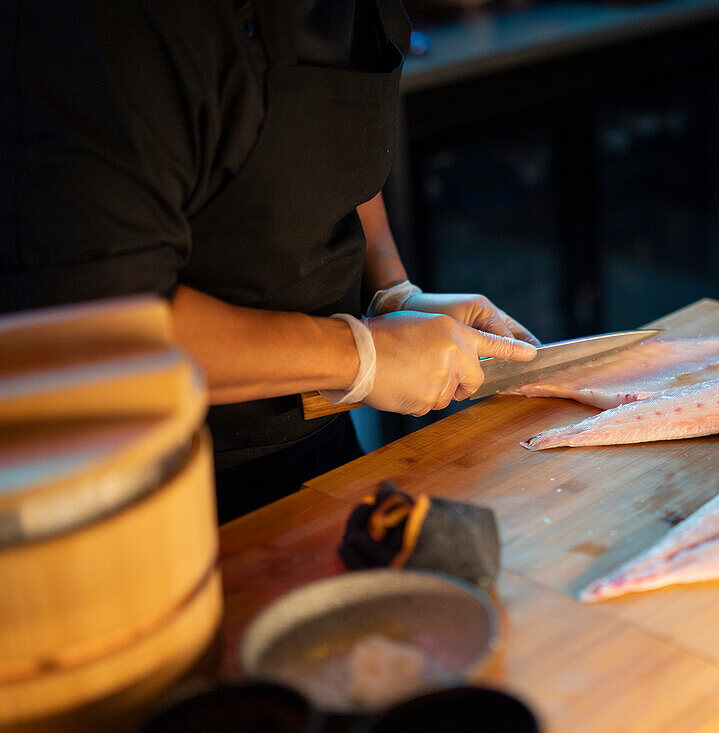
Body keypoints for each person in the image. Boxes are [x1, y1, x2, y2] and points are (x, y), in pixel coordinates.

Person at [0, 0, 539, 521]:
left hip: (315, 446)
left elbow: (331, 143)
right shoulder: (116, 24)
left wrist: (392, 291)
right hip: (149, 488)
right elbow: (99, 328)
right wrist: (363, 353)